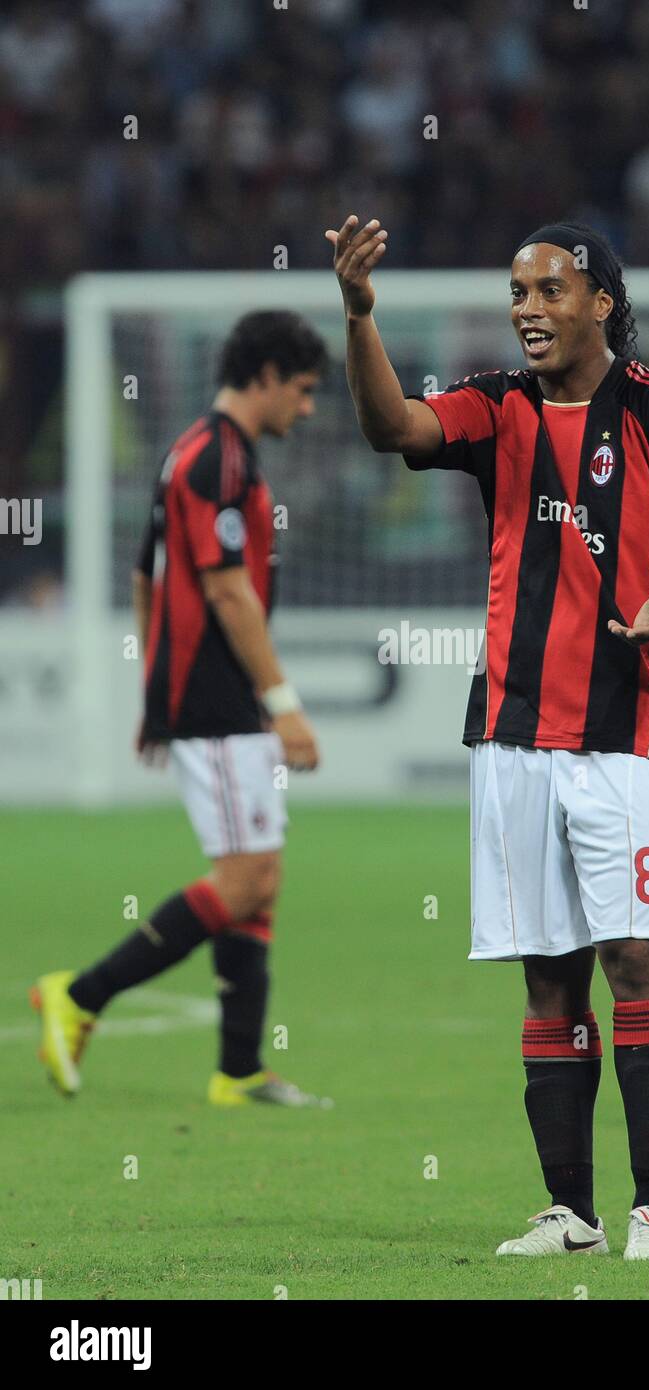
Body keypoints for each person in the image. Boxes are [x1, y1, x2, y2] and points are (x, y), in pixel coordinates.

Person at [325, 214, 649, 1258]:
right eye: (518, 290)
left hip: (626, 731)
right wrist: (357, 312)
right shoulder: (497, 405)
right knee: (546, 976)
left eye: (549, 289)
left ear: (601, 301)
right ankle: (572, 1215)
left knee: (637, 957)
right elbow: (395, 431)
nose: (527, 308)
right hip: (513, 735)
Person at [33, 310, 331, 1109]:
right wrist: (284, 704)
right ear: (264, 374)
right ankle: (80, 994)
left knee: (258, 880)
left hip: (201, 691)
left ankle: (237, 1071)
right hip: (221, 698)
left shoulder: (195, 453)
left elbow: (146, 577)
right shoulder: (220, 462)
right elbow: (226, 591)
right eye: (301, 391)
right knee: (246, 877)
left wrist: (154, 686)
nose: (306, 409)